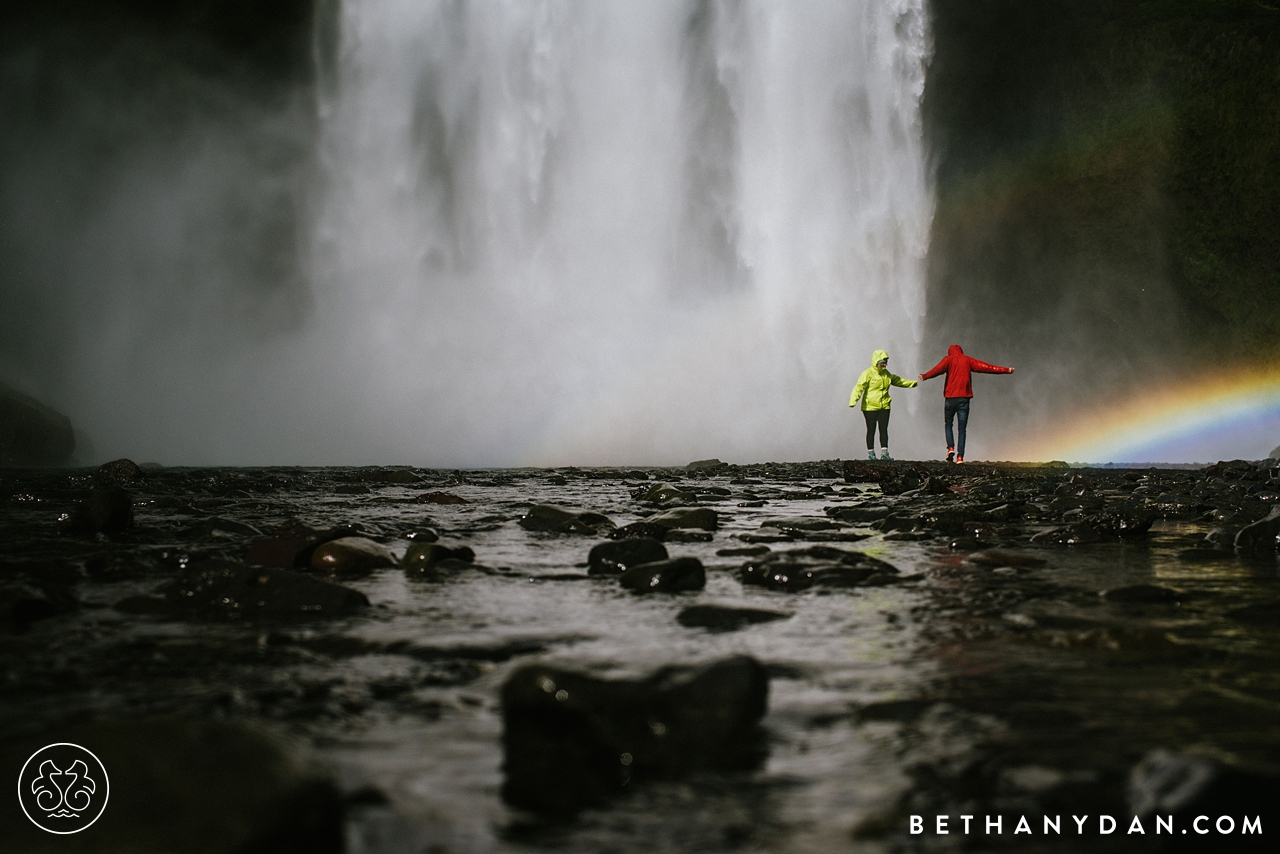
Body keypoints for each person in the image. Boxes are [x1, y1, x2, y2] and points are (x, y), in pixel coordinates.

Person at [917, 344, 1014, 463]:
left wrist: (925, 376)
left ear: (950, 352)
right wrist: (1006, 370)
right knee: (962, 429)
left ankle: (950, 448)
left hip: (950, 398)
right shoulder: (968, 360)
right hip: (964, 399)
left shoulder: (948, 360)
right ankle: (960, 457)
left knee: (948, 424)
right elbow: (986, 367)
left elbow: (937, 370)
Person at [849, 349, 917, 461]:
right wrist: (853, 400)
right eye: (882, 362)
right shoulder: (867, 373)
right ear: (876, 361)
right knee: (871, 429)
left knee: (883, 429)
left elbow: (898, 381)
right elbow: (859, 387)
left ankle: (884, 453)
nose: (884, 364)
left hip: (884, 406)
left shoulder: (886, 374)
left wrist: (913, 383)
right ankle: (871, 453)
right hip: (869, 407)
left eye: (885, 362)